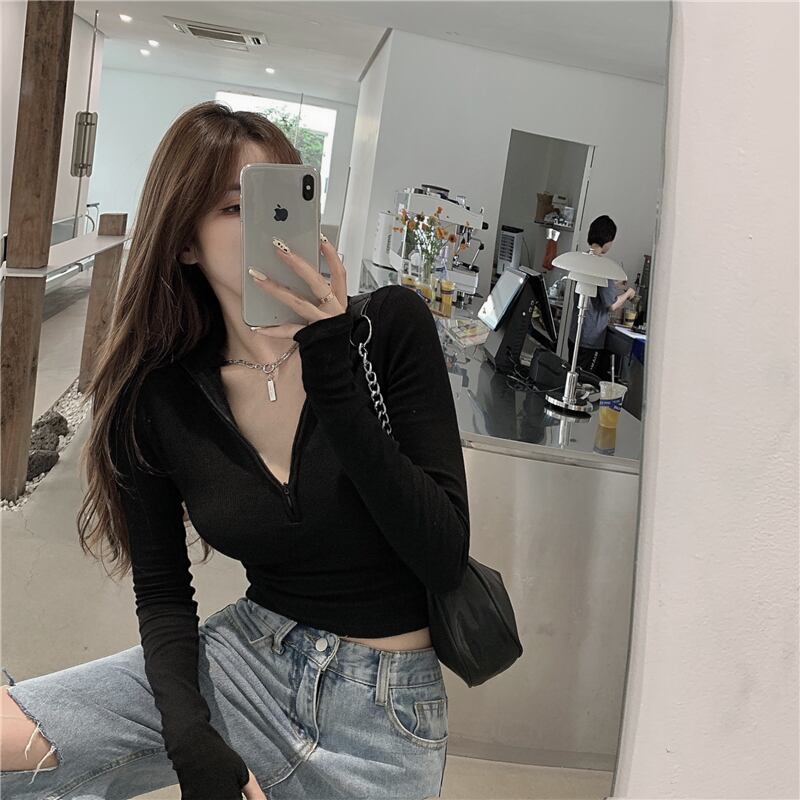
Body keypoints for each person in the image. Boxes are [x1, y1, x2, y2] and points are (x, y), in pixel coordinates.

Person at [0, 102, 469, 800]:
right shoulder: (158, 395)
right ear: (184, 242)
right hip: (246, 665)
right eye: (233, 206)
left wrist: (330, 364)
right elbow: (163, 592)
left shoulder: (385, 330)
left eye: (281, 200)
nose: (268, 227)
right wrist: (189, 737)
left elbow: (442, 553)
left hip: (385, 716)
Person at [567, 215, 635, 380]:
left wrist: (615, 284)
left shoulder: (583, 260)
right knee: (585, 382)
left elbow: (595, 288)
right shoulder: (603, 268)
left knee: (574, 376)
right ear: (608, 240)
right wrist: (628, 293)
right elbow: (611, 305)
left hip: (575, 334)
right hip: (591, 338)